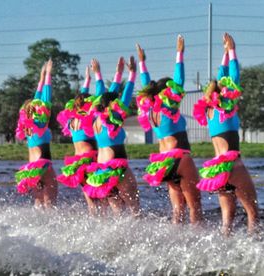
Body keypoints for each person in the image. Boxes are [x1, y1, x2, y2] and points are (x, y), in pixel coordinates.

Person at [193, 33, 259, 235]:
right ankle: (252, 250)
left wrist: (224, 53)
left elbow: (223, 76)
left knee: (227, 220)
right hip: (233, 166)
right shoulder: (227, 108)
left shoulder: (210, 110)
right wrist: (232, 50)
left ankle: (222, 254)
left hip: (218, 172)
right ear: (225, 93)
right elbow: (234, 76)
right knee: (253, 213)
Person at [136, 35, 203, 224]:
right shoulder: (168, 109)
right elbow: (179, 81)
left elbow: (146, 84)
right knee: (194, 206)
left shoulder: (150, 112)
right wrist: (179, 54)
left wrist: (142, 63)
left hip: (163, 163)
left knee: (177, 209)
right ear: (167, 93)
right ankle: (195, 242)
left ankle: (175, 240)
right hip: (180, 158)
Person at [85, 56, 140, 216]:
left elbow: (102, 93)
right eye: (115, 102)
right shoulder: (111, 117)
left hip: (100, 170)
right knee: (134, 208)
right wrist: (132, 74)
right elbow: (127, 95)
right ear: (111, 105)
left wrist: (113, 73)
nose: (119, 104)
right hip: (116, 167)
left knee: (117, 212)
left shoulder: (96, 120)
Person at [56, 64, 107, 215]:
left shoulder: (71, 119)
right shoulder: (88, 117)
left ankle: (94, 222)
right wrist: (97, 75)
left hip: (77, 162)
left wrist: (87, 80)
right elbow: (100, 94)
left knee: (90, 199)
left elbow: (81, 98)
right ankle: (104, 224)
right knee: (101, 195)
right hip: (91, 159)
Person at [15, 59, 58, 208]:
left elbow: (37, 98)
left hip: (31, 168)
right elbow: (46, 98)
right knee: (50, 203)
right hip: (44, 164)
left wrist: (42, 77)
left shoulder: (27, 129)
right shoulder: (40, 125)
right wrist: (48, 75)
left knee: (38, 202)